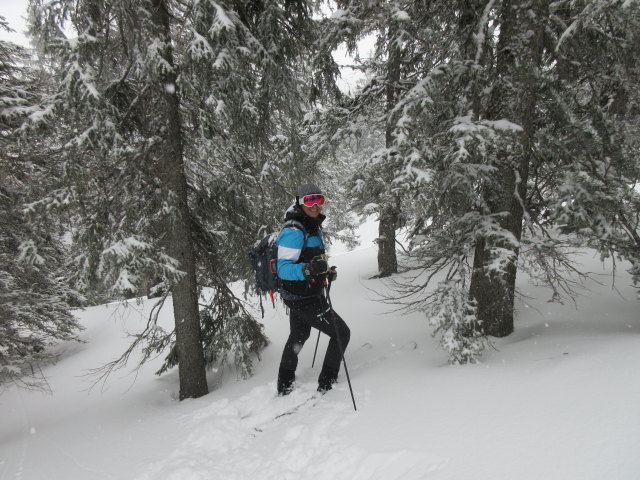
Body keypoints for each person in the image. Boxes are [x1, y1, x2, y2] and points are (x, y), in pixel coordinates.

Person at [275, 183, 350, 395]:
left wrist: (323, 272)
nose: (315, 205)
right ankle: (327, 383)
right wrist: (309, 270)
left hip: (301, 293)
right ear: (300, 203)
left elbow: (311, 259)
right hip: (304, 297)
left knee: (299, 334)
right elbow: (283, 268)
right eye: (309, 200)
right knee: (341, 333)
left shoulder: (311, 226)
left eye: (319, 199)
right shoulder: (294, 231)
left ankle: (284, 383)